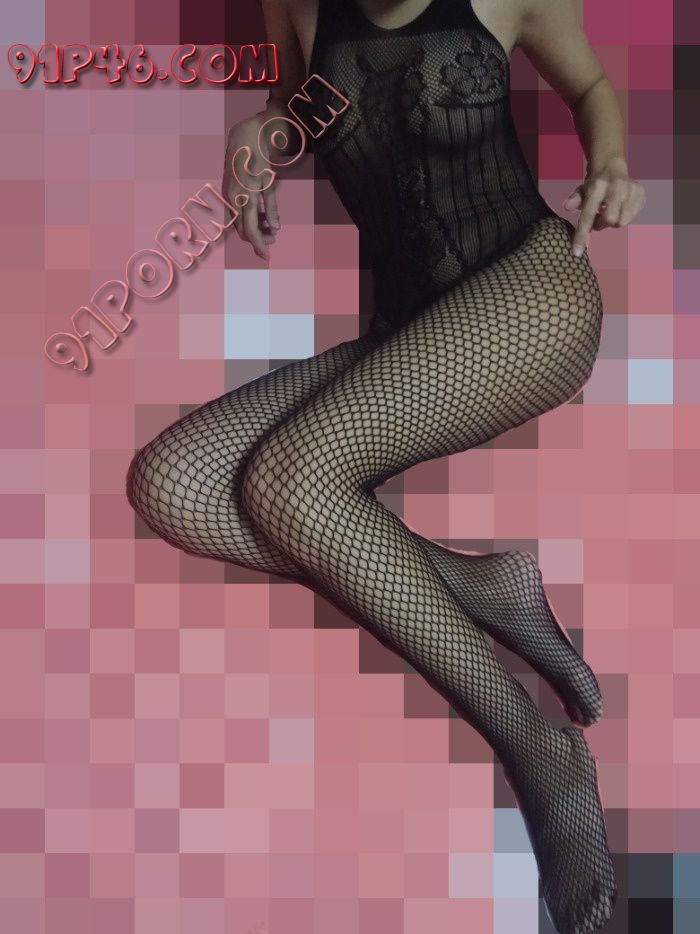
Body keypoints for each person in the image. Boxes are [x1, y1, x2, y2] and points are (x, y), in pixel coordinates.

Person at [126, 1, 645, 930]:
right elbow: (300, 108)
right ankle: (479, 587)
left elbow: (592, 85)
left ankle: (536, 747)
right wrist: (258, 133)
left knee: (290, 481)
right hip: (411, 329)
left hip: (530, 293)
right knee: (174, 484)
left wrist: (609, 160)